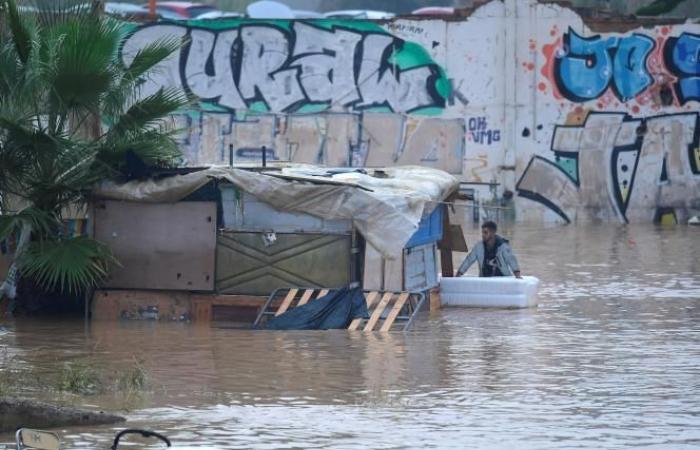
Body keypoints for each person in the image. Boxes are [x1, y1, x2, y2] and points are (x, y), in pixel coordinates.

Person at [455, 221, 522, 278]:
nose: (483, 235)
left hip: (502, 278)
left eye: (485, 232)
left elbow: (512, 260)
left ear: (493, 233)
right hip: (485, 279)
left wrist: (518, 276)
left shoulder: (503, 246)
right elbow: (469, 260)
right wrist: (458, 274)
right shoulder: (479, 247)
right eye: (482, 232)